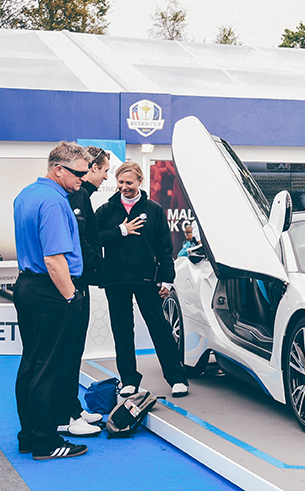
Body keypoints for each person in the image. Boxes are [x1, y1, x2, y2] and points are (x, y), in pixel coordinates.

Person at [12, 141, 91, 460]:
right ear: (58, 170)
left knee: (31, 363)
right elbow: (54, 259)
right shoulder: (55, 202)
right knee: (50, 367)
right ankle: (46, 441)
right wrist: (71, 297)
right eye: (78, 174)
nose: (83, 179)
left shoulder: (26, 194)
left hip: (27, 286)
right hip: (52, 289)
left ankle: (29, 436)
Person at [96, 161, 187, 400]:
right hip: (115, 280)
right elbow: (94, 240)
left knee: (160, 327)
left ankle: (177, 378)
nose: (124, 187)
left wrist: (167, 279)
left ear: (140, 182)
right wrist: (121, 230)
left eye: (129, 182)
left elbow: (165, 247)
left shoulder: (154, 210)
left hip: (147, 279)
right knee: (122, 330)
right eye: (120, 182)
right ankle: (129, 380)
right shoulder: (106, 211)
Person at [55, 145, 110, 438]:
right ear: (91, 168)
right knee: (68, 350)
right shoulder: (75, 196)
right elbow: (79, 242)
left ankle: (73, 408)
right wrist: (99, 263)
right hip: (73, 282)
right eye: (104, 170)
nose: (106, 177)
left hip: (80, 280)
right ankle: (65, 414)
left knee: (74, 350)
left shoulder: (81, 196)